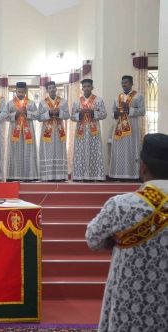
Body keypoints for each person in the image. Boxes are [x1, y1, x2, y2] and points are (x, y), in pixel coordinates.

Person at [86, 133, 168, 332]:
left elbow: (93, 239)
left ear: (143, 166)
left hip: (128, 305)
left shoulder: (121, 206)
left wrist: (116, 240)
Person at [109, 75, 146, 181]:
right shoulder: (117, 97)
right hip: (119, 128)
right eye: (122, 83)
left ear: (131, 83)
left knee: (132, 149)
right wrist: (115, 114)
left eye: (126, 82)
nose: (124, 84)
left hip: (132, 128)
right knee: (119, 151)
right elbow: (112, 113)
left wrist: (129, 109)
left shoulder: (138, 96)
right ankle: (118, 175)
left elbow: (142, 112)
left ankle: (133, 175)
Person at [70, 79, 107, 181]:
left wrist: (93, 112)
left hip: (93, 131)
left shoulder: (98, 100)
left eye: (88, 86)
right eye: (84, 86)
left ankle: (94, 175)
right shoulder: (77, 101)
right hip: (81, 131)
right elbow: (72, 117)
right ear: (82, 88)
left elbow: (104, 114)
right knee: (80, 152)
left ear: (92, 87)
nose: (86, 88)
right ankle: (80, 176)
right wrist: (80, 114)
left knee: (94, 151)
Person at [37, 81, 70, 181]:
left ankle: (60, 176)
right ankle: (47, 176)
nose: (52, 89)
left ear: (56, 89)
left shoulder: (63, 102)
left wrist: (59, 112)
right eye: (49, 88)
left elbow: (67, 115)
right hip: (47, 131)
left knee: (59, 151)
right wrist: (49, 113)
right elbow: (38, 117)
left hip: (59, 130)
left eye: (53, 87)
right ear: (47, 90)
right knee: (48, 152)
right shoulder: (42, 103)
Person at [6, 82, 38, 181]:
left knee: (28, 151)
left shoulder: (31, 103)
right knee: (14, 152)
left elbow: (38, 115)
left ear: (26, 91)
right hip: (14, 130)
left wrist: (27, 112)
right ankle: (13, 176)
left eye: (22, 92)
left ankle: (29, 176)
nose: (20, 94)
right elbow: (5, 116)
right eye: (19, 92)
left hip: (28, 131)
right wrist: (16, 113)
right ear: (16, 91)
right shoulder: (10, 103)